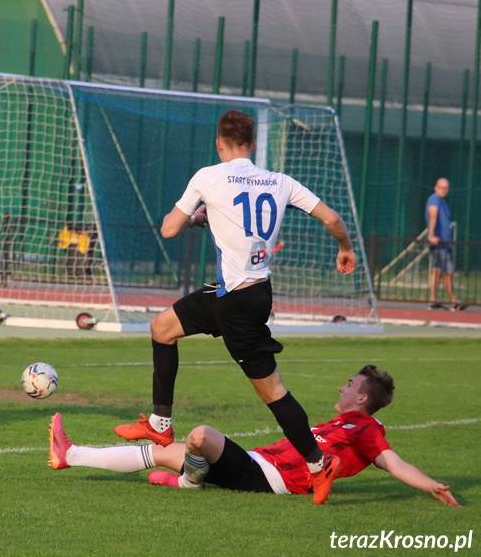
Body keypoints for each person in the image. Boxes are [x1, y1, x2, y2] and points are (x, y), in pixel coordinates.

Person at [113, 109, 358, 503]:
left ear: (219, 143)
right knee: (162, 327)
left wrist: (193, 217)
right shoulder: (280, 182)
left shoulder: (208, 176)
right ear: (254, 144)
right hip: (242, 293)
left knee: (273, 391)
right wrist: (345, 248)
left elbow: (168, 229)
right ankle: (160, 424)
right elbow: (332, 218)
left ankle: (318, 464)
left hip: (238, 303)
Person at [50, 365, 461, 507]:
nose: (342, 387)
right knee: (171, 451)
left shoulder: (366, 428)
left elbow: (392, 461)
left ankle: (190, 482)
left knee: (198, 437)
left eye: (350, 383)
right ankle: (70, 456)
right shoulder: (337, 424)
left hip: (272, 481)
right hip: (259, 465)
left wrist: (429, 486)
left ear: (363, 396)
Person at [426, 178, 467, 311]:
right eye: (441, 187)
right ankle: (454, 301)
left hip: (444, 243)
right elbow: (433, 216)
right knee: (448, 271)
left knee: (437, 271)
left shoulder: (443, 202)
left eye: (446, 188)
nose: (443, 190)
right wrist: (431, 235)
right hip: (438, 244)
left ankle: (432, 300)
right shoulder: (434, 199)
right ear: (435, 187)